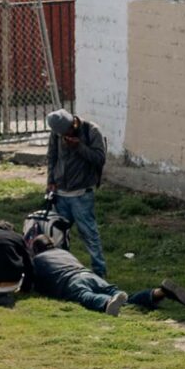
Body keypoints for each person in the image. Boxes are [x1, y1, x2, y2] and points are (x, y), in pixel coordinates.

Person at [23, 213, 185, 317]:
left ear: (35, 250)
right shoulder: (64, 253)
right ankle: (159, 292)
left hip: (72, 281)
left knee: (85, 297)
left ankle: (107, 303)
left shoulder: (37, 260)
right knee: (127, 297)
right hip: (89, 275)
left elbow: (32, 283)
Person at [45, 107, 109, 275]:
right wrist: (50, 181)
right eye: (61, 134)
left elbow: (99, 159)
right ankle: (62, 269)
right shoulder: (57, 134)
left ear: (73, 123)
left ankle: (99, 271)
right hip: (60, 193)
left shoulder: (91, 131)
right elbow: (52, 157)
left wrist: (78, 146)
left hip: (81, 194)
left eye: (68, 131)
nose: (65, 136)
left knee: (89, 234)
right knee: (58, 235)